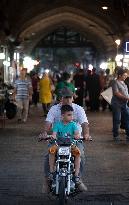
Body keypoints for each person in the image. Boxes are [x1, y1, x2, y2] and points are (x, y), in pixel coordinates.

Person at [39, 87, 90, 192]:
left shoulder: (79, 109)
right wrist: (44, 132)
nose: (67, 100)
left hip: (74, 140)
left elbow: (84, 123)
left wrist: (86, 134)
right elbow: (48, 122)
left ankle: (78, 179)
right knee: (48, 154)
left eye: (69, 97)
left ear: (73, 98)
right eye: (65, 97)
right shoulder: (54, 109)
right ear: (60, 99)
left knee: (81, 155)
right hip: (57, 140)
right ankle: (47, 180)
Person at [48, 104, 85, 189]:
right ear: (62, 115)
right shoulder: (57, 124)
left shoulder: (73, 125)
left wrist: (77, 135)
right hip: (59, 145)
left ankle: (76, 175)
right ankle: (51, 172)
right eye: (69, 115)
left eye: (72, 114)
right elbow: (54, 133)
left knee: (78, 154)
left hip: (70, 145)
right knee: (51, 151)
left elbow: (76, 133)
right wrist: (53, 136)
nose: (71, 117)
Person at [111, 68, 129, 143]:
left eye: (126, 75)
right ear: (119, 75)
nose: (125, 76)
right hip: (117, 104)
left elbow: (126, 92)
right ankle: (116, 135)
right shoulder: (115, 82)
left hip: (124, 104)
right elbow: (116, 93)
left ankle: (128, 134)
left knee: (127, 118)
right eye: (124, 75)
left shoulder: (124, 83)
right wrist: (126, 98)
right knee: (117, 119)